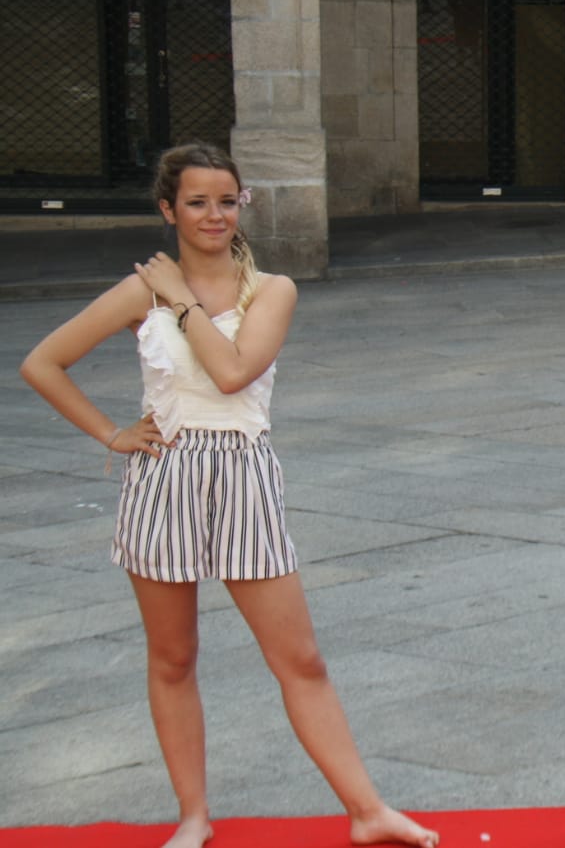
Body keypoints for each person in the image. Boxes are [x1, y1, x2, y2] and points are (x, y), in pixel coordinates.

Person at [19, 144, 438, 848]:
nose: (214, 214)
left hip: (244, 475)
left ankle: (368, 811)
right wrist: (110, 434)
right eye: (196, 202)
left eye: (226, 200)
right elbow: (42, 362)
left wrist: (180, 300)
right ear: (168, 209)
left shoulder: (271, 289)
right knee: (173, 659)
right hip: (165, 477)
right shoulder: (137, 293)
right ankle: (193, 816)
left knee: (300, 658)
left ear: (242, 205)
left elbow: (235, 372)